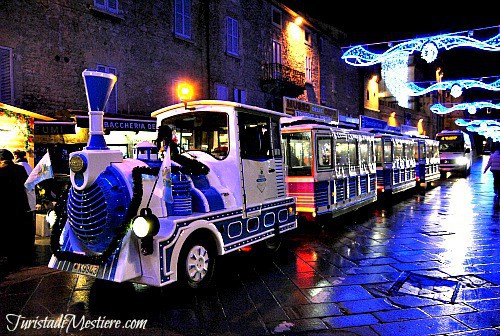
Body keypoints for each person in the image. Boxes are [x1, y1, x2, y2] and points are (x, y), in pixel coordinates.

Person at [0, 149, 34, 265]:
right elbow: (25, 184)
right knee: (17, 229)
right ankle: (16, 254)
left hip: (5, 207)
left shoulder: (2, 171)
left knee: (6, 230)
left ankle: (7, 254)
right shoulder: (20, 169)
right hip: (20, 204)